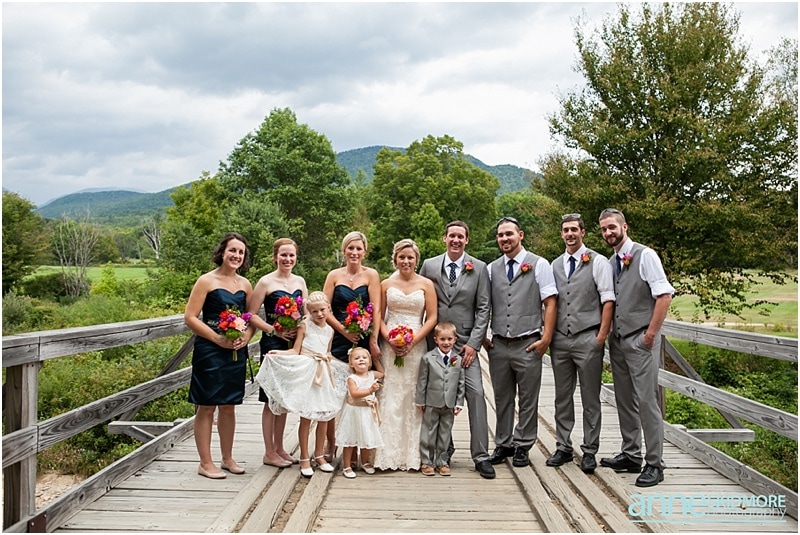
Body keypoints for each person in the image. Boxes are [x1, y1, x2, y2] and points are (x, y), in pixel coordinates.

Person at [598, 208, 674, 487]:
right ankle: (631, 454)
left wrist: (650, 335)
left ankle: (655, 463)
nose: (608, 232)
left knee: (646, 401)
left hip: (640, 339)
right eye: (604, 229)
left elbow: (664, 296)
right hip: (618, 340)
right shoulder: (611, 261)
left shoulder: (645, 255)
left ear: (624, 227)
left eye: (612, 227)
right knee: (624, 398)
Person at [419, 220, 495, 479]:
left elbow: (483, 308)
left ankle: (481, 455)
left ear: (467, 240)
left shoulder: (479, 268)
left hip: (465, 345)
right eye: (452, 235)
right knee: (437, 395)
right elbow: (420, 298)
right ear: (445, 238)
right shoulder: (429, 265)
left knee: (476, 394)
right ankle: (443, 450)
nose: (456, 240)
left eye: (460, 236)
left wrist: (474, 344)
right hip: (435, 343)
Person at [484, 217, 557, 468]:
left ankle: (523, 445)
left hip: (528, 342)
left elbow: (550, 302)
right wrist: (483, 336)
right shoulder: (491, 269)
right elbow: (484, 304)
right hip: (498, 343)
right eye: (500, 235)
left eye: (509, 234)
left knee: (528, 398)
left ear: (521, 235)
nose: (504, 238)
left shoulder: (539, 264)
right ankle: (503, 443)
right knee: (502, 397)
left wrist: (546, 338)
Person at [547, 214, 615, 474]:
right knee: (562, 396)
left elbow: (608, 299)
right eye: (565, 230)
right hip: (560, 339)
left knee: (590, 396)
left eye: (574, 229)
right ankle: (563, 446)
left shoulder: (598, 262)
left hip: (588, 336)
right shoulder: (555, 264)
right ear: (561, 234)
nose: (569, 234)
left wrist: (601, 336)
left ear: (583, 232)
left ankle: (589, 450)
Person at [256, 291, 349, 478]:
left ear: (328, 308)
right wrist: (278, 353)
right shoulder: (305, 326)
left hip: (324, 373)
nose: (319, 314)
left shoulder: (330, 330)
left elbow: (328, 354)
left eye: (322, 310)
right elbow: (296, 350)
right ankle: (305, 457)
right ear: (309, 312)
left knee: (324, 416)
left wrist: (346, 367)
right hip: (309, 373)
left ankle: (319, 455)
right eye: (314, 311)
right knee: (306, 417)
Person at [185, 232, 253, 479]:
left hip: (234, 350)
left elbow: (251, 317)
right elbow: (190, 317)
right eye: (232, 250)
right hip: (210, 349)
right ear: (222, 252)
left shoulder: (245, 284)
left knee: (229, 405)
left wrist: (247, 337)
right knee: (206, 405)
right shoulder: (206, 281)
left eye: (241, 252)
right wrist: (216, 338)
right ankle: (205, 462)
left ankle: (227, 458)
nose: (236, 255)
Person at [374, 239, 438, 471]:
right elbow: (379, 315)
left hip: (416, 345)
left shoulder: (426, 284)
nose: (406, 261)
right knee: (390, 394)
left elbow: (432, 317)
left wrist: (414, 341)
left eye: (410, 257)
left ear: (416, 260)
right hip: (390, 345)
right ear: (395, 259)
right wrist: (389, 338)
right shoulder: (385, 284)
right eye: (402, 257)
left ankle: (414, 454)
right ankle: (386, 454)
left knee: (413, 395)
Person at [323, 231, 384, 462]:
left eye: (358, 248)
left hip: (363, 339)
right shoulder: (334, 276)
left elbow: (376, 309)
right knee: (334, 395)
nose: (354, 252)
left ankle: (359, 446)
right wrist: (343, 330)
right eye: (350, 248)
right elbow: (325, 308)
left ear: (364, 251)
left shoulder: (371, 275)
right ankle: (331, 443)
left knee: (359, 396)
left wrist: (373, 339)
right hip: (338, 338)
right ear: (344, 250)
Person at [248, 238, 308, 468]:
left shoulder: (300, 281)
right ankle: (269, 452)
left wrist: (300, 332)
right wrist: (274, 330)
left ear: (296, 257)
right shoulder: (265, 282)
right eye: (283, 255)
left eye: (291, 255)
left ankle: (280, 447)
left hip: (293, 344)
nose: (287, 259)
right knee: (270, 397)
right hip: (273, 342)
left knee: (283, 398)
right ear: (275, 257)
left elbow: (306, 313)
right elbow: (251, 315)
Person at [416, 322, 466, 477]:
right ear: (436, 340)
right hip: (432, 401)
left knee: (445, 432)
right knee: (429, 432)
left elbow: (461, 383)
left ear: (455, 340)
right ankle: (427, 461)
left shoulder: (457, 359)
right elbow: (422, 381)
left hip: (449, 403)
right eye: (442, 339)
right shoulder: (428, 358)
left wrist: (459, 402)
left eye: (449, 339)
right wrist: (420, 400)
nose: (446, 342)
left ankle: (442, 461)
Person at [336, 347, 385, 479]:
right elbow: (354, 393)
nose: (361, 360)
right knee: (350, 439)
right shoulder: (352, 378)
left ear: (369, 362)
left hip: (367, 412)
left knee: (366, 437)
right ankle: (347, 465)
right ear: (351, 364)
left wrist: (376, 360)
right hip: (354, 412)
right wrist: (370, 390)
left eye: (364, 358)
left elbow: (382, 373)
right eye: (357, 358)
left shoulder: (372, 374)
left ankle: (365, 462)